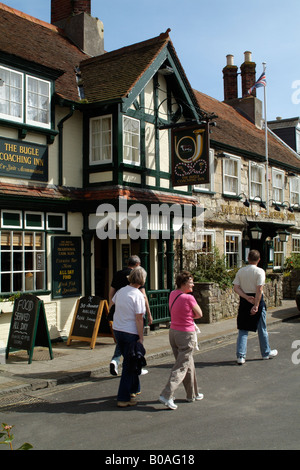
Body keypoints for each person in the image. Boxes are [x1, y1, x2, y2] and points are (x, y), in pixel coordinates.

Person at [159, 271, 203, 410]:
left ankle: (192, 394)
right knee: (181, 366)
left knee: (188, 363)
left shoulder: (173, 294)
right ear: (184, 283)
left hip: (173, 332)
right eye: (191, 282)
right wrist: (190, 316)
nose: (193, 284)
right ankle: (166, 395)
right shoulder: (188, 298)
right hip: (186, 334)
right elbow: (200, 314)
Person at [108, 255, 152, 376]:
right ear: (137, 264)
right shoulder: (137, 276)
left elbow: (111, 293)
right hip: (134, 315)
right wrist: (149, 312)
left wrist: (110, 308)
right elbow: (143, 296)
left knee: (122, 343)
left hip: (119, 315)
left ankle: (115, 360)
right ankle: (136, 367)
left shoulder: (118, 274)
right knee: (134, 345)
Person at [233, 249, 278, 365]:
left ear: (248, 259)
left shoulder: (241, 271)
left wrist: (246, 297)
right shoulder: (260, 272)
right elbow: (259, 289)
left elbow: (236, 288)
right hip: (257, 299)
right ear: (259, 260)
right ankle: (265, 353)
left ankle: (241, 356)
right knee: (262, 328)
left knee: (243, 329)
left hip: (244, 300)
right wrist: (256, 305)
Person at [112, 266, 147, 407]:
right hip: (130, 332)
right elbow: (139, 318)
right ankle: (123, 398)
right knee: (128, 366)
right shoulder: (138, 295)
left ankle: (134, 391)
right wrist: (141, 337)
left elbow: (113, 302)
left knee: (132, 362)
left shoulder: (121, 291)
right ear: (142, 279)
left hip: (118, 330)